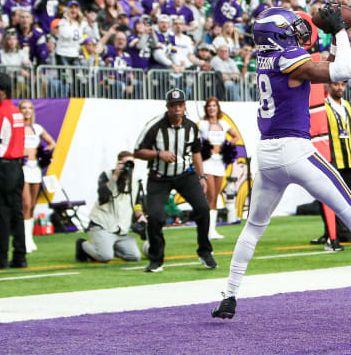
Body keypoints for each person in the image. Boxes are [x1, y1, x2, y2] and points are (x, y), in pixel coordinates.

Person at [212, 5, 351, 320]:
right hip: (296, 149)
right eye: (290, 28)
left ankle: (229, 296)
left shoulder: (268, 59)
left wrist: (331, 42)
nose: (297, 32)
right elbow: (343, 71)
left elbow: (325, 61)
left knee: (253, 228)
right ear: (278, 34)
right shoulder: (288, 59)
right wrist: (340, 31)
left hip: (268, 154)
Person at [134, 88, 216, 273]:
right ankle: (156, 258)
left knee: (203, 208)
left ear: (185, 106)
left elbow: (196, 152)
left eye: (180, 105)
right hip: (159, 177)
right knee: (155, 216)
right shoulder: (155, 127)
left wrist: (201, 175)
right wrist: (158, 153)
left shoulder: (191, 127)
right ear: (167, 106)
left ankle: (205, 251)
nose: (177, 109)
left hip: (185, 175)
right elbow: (138, 151)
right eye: (173, 105)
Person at [311, 80, 351, 251]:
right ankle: (332, 236)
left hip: (349, 159)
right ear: (327, 86)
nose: (340, 87)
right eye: (336, 84)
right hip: (331, 159)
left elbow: (350, 131)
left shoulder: (348, 106)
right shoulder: (322, 107)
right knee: (330, 199)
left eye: (342, 84)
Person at [0, 73, 27, 269]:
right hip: (17, 167)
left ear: (2, 90)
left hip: (2, 167)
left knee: (1, 214)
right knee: (17, 214)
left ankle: (0, 259)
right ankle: (20, 256)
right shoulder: (16, 112)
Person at [75, 151, 147, 263]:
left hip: (121, 229)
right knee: (105, 257)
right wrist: (116, 175)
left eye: (131, 164)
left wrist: (141, 216)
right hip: (102, 225)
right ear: (118, 163)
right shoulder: (107, 176)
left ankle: (107, 247)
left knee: (134, 256)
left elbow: (137, 202)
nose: (129, 167)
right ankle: (82, 245)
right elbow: (103, 196)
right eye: (126, 163)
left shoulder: (136, 181)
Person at [198, 96, 242, 240]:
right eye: (209, 106)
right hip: (207, 162)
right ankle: (207, 230)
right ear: (206, 108)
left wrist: (228, 145)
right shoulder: (203, 124)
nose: (212, 108)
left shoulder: (223, 124)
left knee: (216, 196)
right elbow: (196, 141)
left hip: (219, 162)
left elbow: (236, 136)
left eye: (214, 106)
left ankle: (212, 230)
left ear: (218, 108)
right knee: (210, 194)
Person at [18, 100, 56, 252]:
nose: (27, 111)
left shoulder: (37, 128)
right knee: (25, 204)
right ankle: (24, 240)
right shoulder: (17, 128)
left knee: (33, 205)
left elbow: (52, 143)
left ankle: (29, 238)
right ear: (19, 110)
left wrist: (43, 154)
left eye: (29, 108)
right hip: (22, 168)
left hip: (35, 169)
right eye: (23, 108)